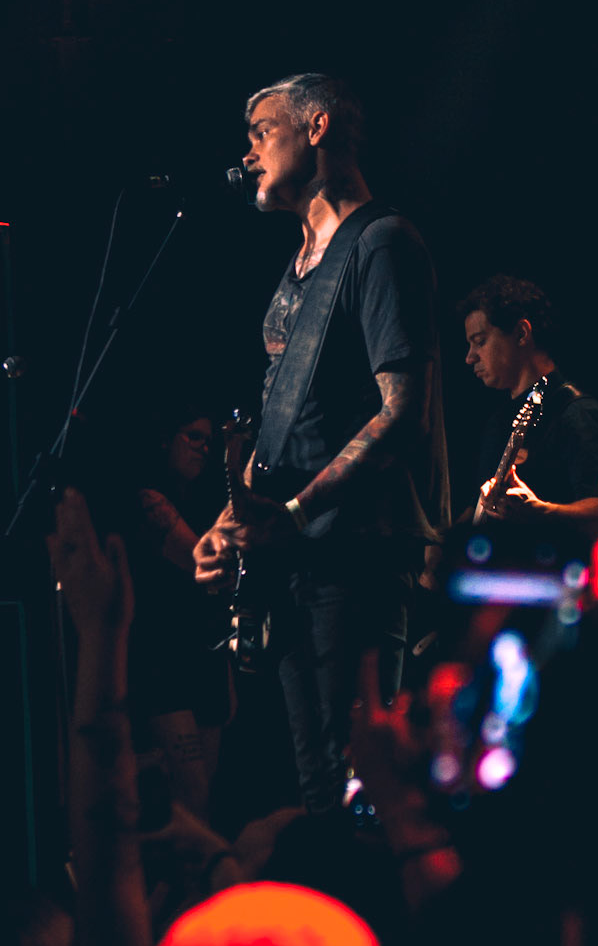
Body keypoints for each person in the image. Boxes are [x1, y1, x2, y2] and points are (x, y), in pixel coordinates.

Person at [193, 73, 451, 817]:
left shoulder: (382, 243)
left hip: (355, 553)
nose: (247, 154)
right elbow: (286, 417)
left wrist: (296, 514)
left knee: (355, 779)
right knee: (314, 787)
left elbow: (403, 414)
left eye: (261, 132)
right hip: (295, 555)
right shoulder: (299, 263)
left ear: (318, 127)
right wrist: (230, 521)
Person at [124, 406, 232, 819]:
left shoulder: (205, 502)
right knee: (192, 792)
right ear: (166, 440)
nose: (203, 448)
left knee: (205, 795)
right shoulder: (150, 500)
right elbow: (201, 563)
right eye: (193, 436)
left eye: (208, 440)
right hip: (165, 658)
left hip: (205, 658)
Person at [460, 275, 598, 536]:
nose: (469, 357)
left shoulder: (578, 414)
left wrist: (541, 512)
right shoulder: (497, 423)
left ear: (521, 334)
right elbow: (478, 508)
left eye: (480, 341)